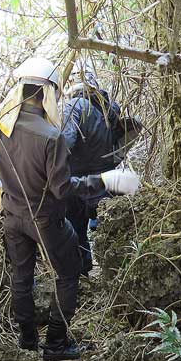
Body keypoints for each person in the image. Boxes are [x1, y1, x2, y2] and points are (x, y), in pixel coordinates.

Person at [0, 57, 139, 361]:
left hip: (12, 216)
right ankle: (56, 345)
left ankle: (27, 341)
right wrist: (105, 181)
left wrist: (0, 179)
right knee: (68, 274)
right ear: (48, 94)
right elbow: (63, 189)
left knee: (22, 277)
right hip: (46, 220)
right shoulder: (50, 136)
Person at [61, 64, 139, 275]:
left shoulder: (74, 106)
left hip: (78, 184)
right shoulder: (108, 111)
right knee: (108, 231)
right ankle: (115, 275)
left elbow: (65, 144)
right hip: (104, 183)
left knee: (76, 230)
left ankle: (83, 271)